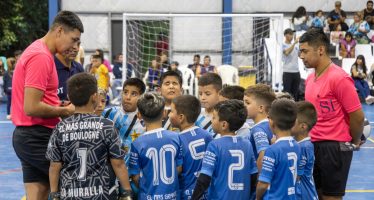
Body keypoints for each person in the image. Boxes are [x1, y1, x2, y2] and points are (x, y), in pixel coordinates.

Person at [11, 11, 82, 200]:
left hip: (29, 136)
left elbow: (38, 100)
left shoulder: (39, 51)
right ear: (59, 31)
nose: (75, 47)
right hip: (37, 137)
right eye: (73, 40)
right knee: (76, 185)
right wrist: (64, 110)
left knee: (39, 194)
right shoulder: (41, 56)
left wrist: (58, 104)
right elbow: (31, 107)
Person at [299, 28, 365, 200]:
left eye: (305, 51)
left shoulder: (339, 78)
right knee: (317, 196)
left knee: (331, 198)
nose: (301, 56)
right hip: (313, 145)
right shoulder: (309, 78)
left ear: (320, 50)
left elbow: (357, 116)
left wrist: (354, 141)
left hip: (334, 147)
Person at [46, 73, 132, 200]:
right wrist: (126, 192)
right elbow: (118, 163)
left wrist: (54, 194)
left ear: (69, 97)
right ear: (94, 97)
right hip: (101, 195)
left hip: (70, 195)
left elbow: (54, 165)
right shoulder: (107, 126)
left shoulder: (60, 128)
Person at [191, 100, 258, 200]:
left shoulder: (214, 145)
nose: (211, 121)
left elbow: (204, 178)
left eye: (214, 118)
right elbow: (253, 176)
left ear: (224, 125)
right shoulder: (247, 144)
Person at [129, 92, 183, 200]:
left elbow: (135, 177)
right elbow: (179, 168)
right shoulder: (176, 137)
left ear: (139, 115)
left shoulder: (137, 143)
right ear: (164, 113)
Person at [168, 95, 213, 200]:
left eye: (171, 111)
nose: (169, 114)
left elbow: (176, 170)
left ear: (181, 117)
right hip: (206, 192)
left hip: (186, 193)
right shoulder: (207, 135)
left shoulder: (176, 140)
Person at [256, 99, 301, 200]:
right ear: (294, 123)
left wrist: (257, 198)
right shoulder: (297, 146)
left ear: (271, 122)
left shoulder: (272, 150)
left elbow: (263, 184)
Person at [102, 78, 146, 163]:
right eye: (125, 92)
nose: (128, 97)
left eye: (133, 94)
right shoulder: (107, 113)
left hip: (129, 172)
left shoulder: (144, 124)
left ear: (141, 97)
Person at [243, 84, 276, 170]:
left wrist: (261, 180)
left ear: (261, 108)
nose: (244, 106)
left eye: (247, 103)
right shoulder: (274, 125)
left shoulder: (258, 129)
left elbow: (263, 157)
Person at [291, 101, 318, 200]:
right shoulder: (297, 143)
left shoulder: (304, 147)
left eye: (291, 120)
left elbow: (296, 176)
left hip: (303, 195)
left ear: (303, 126)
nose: (287, 122)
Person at [282, 28, 301, 101]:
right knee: (287, 94)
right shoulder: (283, 45)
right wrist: (294, 43)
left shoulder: (296, 46)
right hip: (287, 72)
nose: (292, 36)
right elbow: (286, 53)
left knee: (295, 93)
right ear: (286, 35)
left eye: (292, 34)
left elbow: (300, 55)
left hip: (296, 72)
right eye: (290, 34)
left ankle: (295, 109)